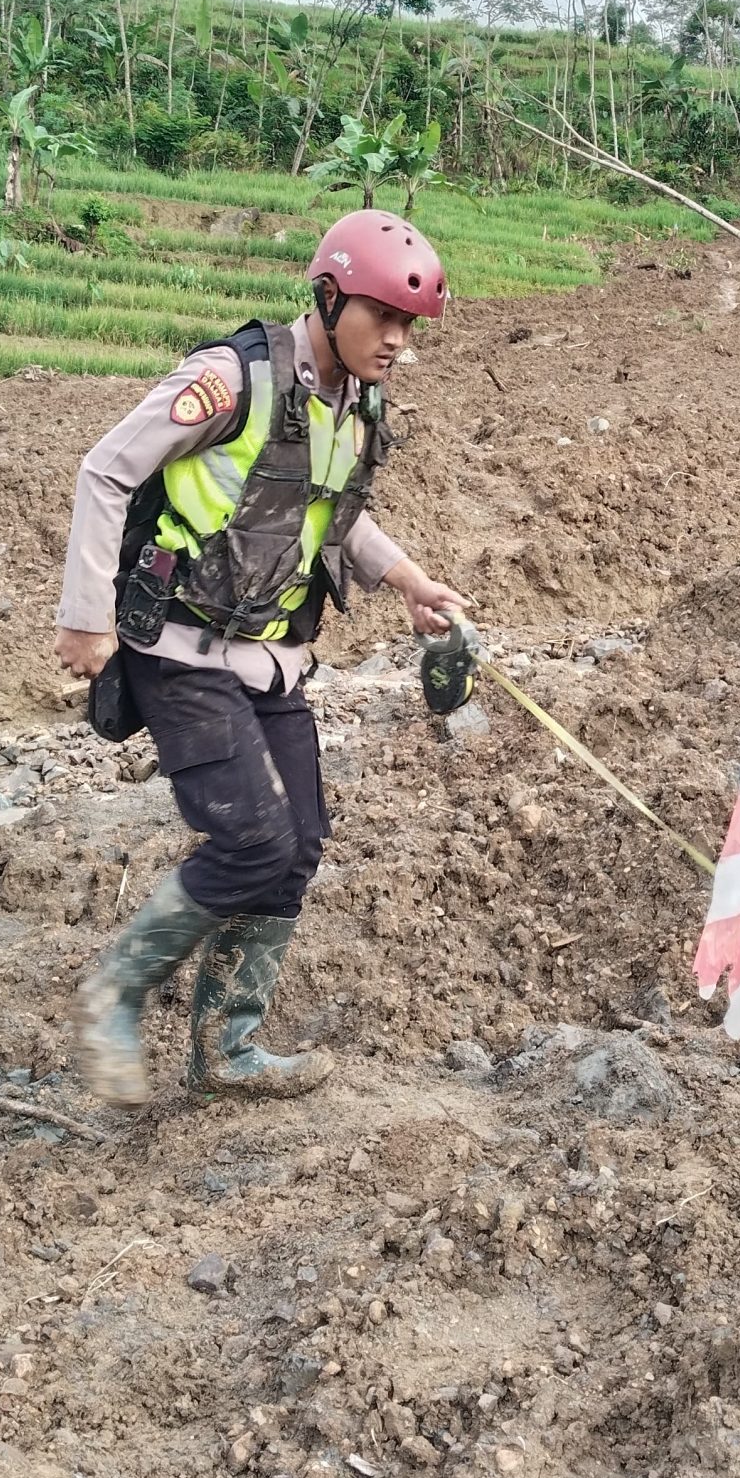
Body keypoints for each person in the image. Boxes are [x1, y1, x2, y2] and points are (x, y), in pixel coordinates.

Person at [53, 209, 471, 1106]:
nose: (397, 341)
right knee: (251, 840)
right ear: (329, 298)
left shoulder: (356, 403)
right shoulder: (231, 379)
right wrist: (86, 617)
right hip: (181, 645)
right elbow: (106, 469)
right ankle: (112, 994)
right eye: (382, 317)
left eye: (408, 326)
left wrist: (408, 580)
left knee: (296, 846)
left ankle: (227, 1050)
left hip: (272, 655)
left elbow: (332, 510)